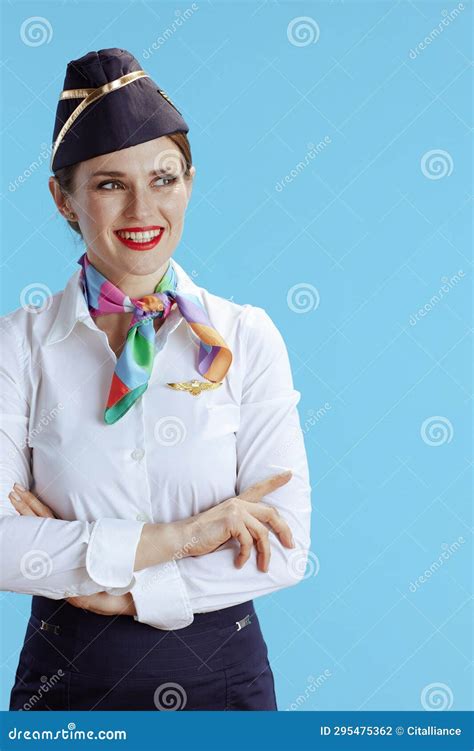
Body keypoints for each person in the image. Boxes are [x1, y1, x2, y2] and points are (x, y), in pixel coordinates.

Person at [0, 48, 312, 711]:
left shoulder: (247, 338)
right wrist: (183, 538)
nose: (143, 208)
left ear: (190, 183)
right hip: (63, 689)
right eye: (110, 183)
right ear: (63, 198)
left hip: (225, 686)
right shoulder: (16, 347)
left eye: (164, 178)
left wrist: (115, 589)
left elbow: (282, 546)